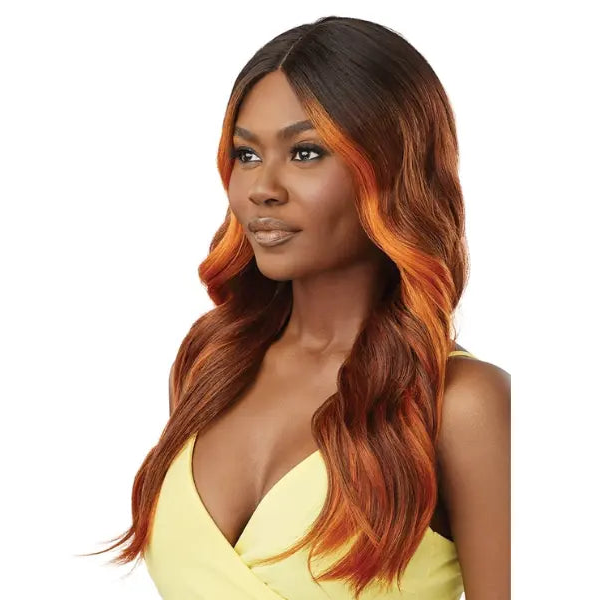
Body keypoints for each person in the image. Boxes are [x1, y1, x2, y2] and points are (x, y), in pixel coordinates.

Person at [86, 15, 510, 600]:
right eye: (246, 154)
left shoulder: (464, 405)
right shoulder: (212, 363)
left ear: (394, 169)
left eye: (305, 152)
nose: (262, 188)